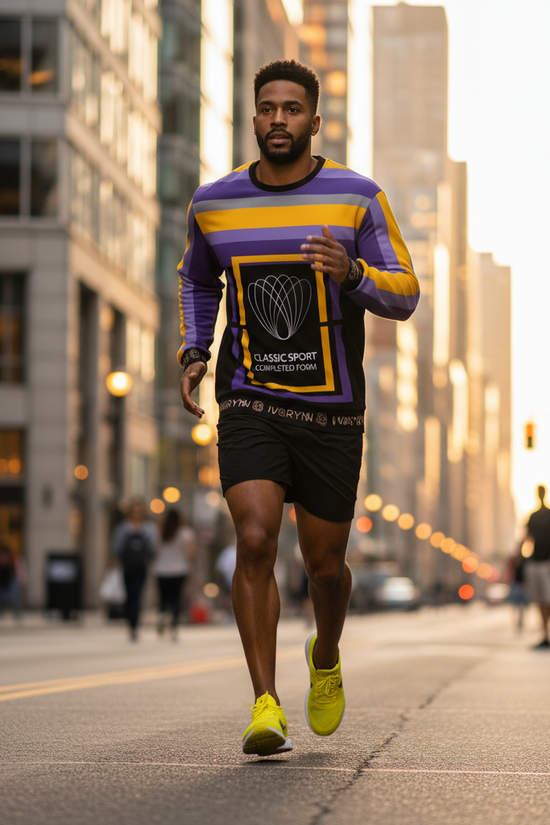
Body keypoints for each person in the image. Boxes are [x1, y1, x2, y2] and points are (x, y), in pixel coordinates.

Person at [178, 59, 419, 755]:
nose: (277, 120)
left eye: (291, 110)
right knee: (253, 539)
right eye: (266, 108)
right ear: (252, 117)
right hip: (250, 398)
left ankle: (325, 652)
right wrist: (194, 351)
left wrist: (354, 272)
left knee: (324, 568)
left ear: (314, 122)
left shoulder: (357, 197)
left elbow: (405, 292)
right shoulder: (213, 203)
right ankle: (264, 703)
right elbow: (198, 280)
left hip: (333, 413)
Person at [110, 499, 156, 640]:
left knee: (137, 595)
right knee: (129, 596)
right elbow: (115, 548)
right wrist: (116, 565)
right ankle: (130, 623)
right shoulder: (123, 528)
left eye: (139, 511)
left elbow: (153, 548)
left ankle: (135, 625)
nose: (137, 513)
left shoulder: (148, 528)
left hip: (141, 567)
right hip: (127, 567)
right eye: (134, 510)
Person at [153, 508, 195, 639]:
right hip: (179, 570)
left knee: (163, 597)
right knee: (176, 599)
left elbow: (154, 550)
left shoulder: (159, 532)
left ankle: (162, 615)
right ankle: (174, 626)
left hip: (161, 569)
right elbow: (189, 553)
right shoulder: (186, 533)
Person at [524, 484, 550, 648]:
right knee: (540, 600)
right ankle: (545, 634)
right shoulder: (532, 516)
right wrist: (519, 557)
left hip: (547, 563)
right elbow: (527, 537)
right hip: (535, 561)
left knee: (548, 599)